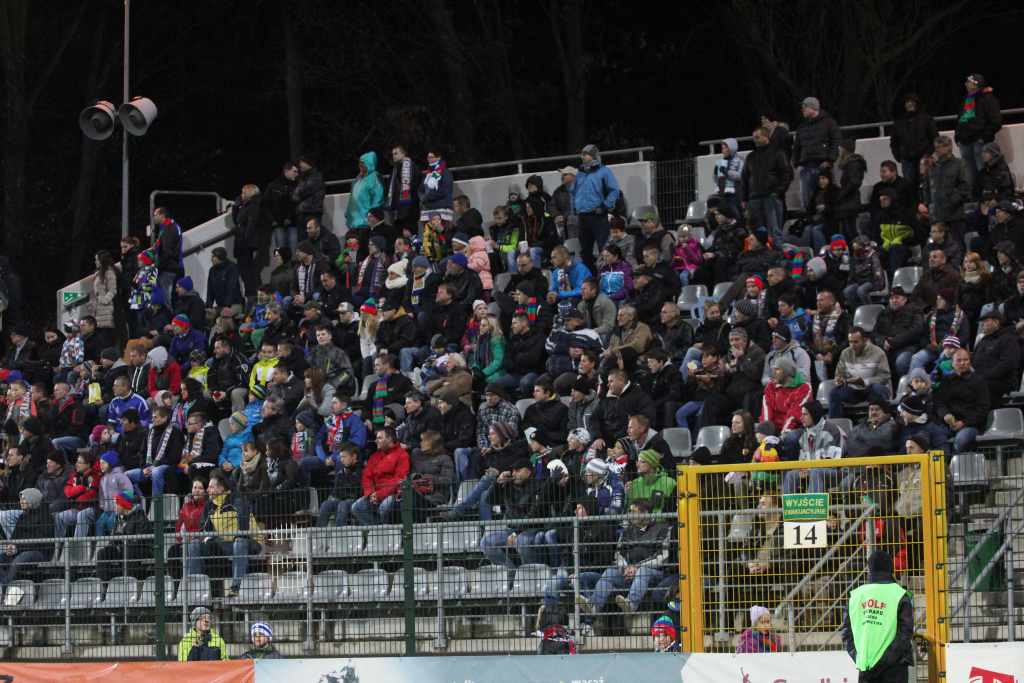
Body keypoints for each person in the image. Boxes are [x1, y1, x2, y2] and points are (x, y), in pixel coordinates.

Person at [577, 501, 671, 615]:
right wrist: (625, 567)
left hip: (654, 574)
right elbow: (618, 554)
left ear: (645, 513)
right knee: (610, 572)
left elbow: (663, 557)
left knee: (643, 571)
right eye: (629, 511)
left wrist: (637, 567)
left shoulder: (662, 529)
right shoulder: (627, 531)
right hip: (629, 573)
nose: (629, 514)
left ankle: (631, 605)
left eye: (633, 512)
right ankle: (594, 606)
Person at [841, 549, 913, 683]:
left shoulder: (856, 596)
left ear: (870, 569)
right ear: (890, 568)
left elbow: (846, 633)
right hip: (894, 667)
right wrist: (886, 659)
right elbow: (905, 632)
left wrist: (860, 656)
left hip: (866, 666)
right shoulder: (900, 594)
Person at [571, 144, 621, 273]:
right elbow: (574, 192)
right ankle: (593, 277)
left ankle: (607, 275)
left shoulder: (604, 171)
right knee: (585, 252)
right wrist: (574, 209)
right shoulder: (580, 173)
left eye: (585, 154)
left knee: (603, 249)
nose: (582, 157)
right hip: (583, 217)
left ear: (593, 155)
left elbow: (614, 190)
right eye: (582, 154)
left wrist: (605, 206)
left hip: (598, 216)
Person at [741, 126, 792, 242]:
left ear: (766, 137)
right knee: (756, 231)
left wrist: (778, 192)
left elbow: (786, 174)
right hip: (754, 199)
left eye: (757, 137)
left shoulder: (778, 153)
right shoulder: (751, 156)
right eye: (753, 138)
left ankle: (778, 256)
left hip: (771, 197)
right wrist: (744, 198)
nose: (755, 140)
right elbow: (744, 178)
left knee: (774, 231)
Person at [934, 348, 989, 452]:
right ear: (952, 363)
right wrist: (945, 414)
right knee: (935, 436)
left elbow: (983, 408)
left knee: (961, 440)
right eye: (959, 360)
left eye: (966, 360)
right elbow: (939, 403)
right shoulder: (946, 381)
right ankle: (943, 465)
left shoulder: (979, 381)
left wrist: (963, 422)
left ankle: (954, 465)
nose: (963, 363)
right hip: (948, 425)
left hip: (971, 425)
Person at [829, 327, 891, 418]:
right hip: (853, 390)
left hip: (871, 389)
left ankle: (879, 422)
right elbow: (839, 373)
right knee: (834, 393)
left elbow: (885, 376)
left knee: (879, 389)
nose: (852, 345)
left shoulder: (878, 353)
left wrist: (865, 382)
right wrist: (839, 380)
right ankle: (836, 427)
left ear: (865, 340)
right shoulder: (845, 353)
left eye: (856, 342)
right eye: (850, 342)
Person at [352, 428, 409, 525]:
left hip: (392, 494)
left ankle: (383, 533)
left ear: (389, 439)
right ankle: (378, 532)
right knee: (357, 507)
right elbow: (366, 476)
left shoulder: (402, 455)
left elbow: (399, 479)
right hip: (374, 494)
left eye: (379, 438)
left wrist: (380, 494)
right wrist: (370, 493)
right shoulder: (374, 456)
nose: (376, 441)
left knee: (385, 506)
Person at [793, 97, 841, 210]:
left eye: (805, 107)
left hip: (822, 166)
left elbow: (836, 141)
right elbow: (797, 146)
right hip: (806, 167)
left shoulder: (829, 122)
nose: (802, 109)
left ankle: (824, 224)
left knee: (825, 198)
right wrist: (796, 163)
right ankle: (810, 223)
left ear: (813, 107)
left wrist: (830, 160)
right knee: (807, 200)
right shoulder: (802, 126)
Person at [955, 73, 1002, 187]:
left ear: (976, 84)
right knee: (969, 175)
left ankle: (985, 197)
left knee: (983, 172)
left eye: (969, 82)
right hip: (965, 141)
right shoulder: (966, 100)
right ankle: (973, 198)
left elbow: (996, 121)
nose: (966, 84)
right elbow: (961, 119)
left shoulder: (987, 99)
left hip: (979, 141)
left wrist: (983, 137)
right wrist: (958, 136)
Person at [0, 488, 54, 586]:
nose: (21, 502)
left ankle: (6, 586)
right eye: (20, 499)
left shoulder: (45, 517)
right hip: (21, 550)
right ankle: (4, 583)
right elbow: (14, 537)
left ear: (32, 500)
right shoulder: (22, 517)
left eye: (24, 499)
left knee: (20, 559)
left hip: (40, 553)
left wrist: (18, 548)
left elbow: (39, 542)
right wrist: (11, 546)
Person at [890, 94, 937, 189]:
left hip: (924, 158)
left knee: (926, 185)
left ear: (917, 104)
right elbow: (894, 142)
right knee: (909, 187)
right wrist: (899, 156)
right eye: (907, 102)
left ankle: (925, 203)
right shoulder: (899, 122)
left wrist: (928, 154)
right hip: (906, 160)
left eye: (912, 102)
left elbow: (934, 138)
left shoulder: (926, 119)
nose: (910, 104)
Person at [712, 138, 744, 216]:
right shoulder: (720, 162)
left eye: (726, 148)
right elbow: (716, 179)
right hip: (722, 193)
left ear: (732, 148)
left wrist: (727, 172)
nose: (724, 150)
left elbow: (741, 176)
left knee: (734, 211)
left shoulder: (740, 160)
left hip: (735, 193)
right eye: (722, 148)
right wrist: (716, 174)